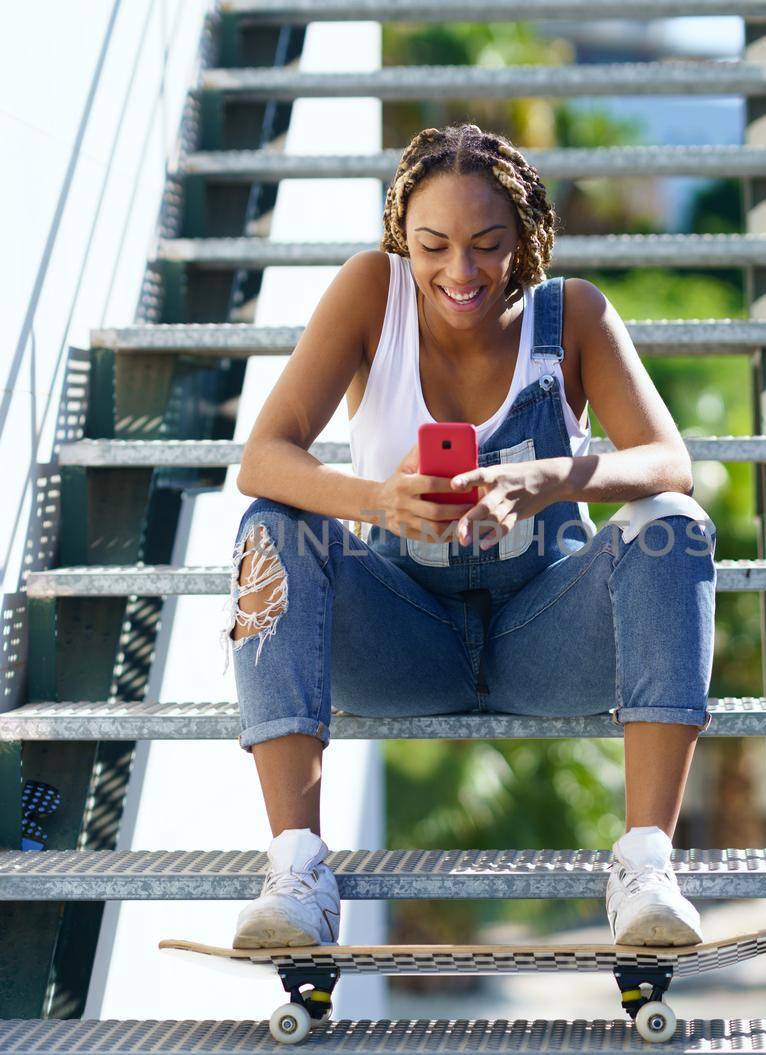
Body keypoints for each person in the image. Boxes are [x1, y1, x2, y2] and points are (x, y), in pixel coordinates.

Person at [219, 123, 718, 950]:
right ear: (399, 240)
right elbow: (262, 458)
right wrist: (377, 500)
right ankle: (298, 870)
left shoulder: (575, 317)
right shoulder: (367, 297)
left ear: (526, 238)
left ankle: (645, 866)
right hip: (403, 638)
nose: (461, 271)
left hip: (548, 638)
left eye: (488, 245)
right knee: (271, 526)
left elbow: (671, 460)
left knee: (675, 526)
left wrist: (554, 477)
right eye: (434, 245)